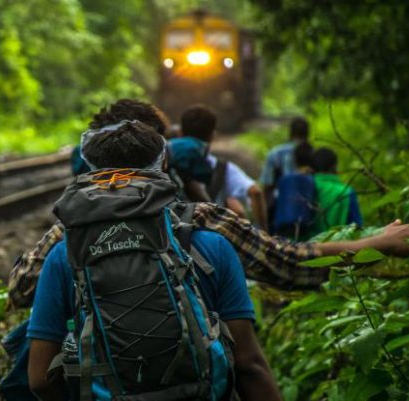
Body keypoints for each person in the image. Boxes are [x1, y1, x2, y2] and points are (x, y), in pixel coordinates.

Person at [7, 100, 409, 310]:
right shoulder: (202, 219)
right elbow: (292, 264)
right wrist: (376, 242)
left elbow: (21, 289)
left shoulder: (72, 228)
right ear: (163, 156)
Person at [27, 120, 282, 401]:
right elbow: (249, 365)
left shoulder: (65, 256)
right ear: (162, 166)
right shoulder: (211, 246)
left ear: (91, 173)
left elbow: (40, 379)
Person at [179, 105, 268, 230]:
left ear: (181, 133)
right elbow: (256, 192)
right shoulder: (223, 168)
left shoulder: (169, 163)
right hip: (211, 234)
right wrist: (263, 231)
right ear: (212, 135)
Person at [309, 147, 363, 235]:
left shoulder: (303, 186)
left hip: (298, 246)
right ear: (334, 166)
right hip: (335, 246)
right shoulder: (346, 191)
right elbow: (357, 228)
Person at [260, 117, 310, 210]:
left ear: (290, 133)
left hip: (280, 206)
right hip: (307, 206)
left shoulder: (275, 153)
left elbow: (267, 185)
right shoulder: (312, 152)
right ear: (307, 134)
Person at [272, 142, 316, 238]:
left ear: (294, 159)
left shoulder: (284, 179)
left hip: (281, 226)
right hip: (304, 227)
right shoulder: (312, 179)